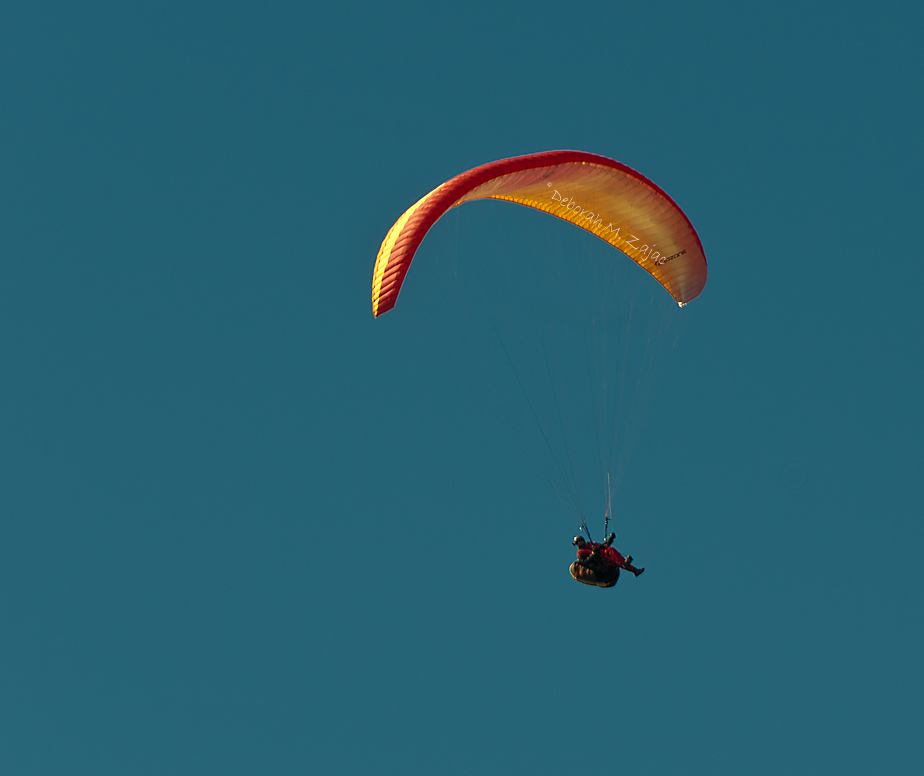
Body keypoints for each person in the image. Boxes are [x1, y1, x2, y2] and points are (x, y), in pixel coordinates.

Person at [569, 533, 644, 588]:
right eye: (577, 543)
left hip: (604, 558)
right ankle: (627, 566)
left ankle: (633, 569)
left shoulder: (591, 544)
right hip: (600, 565)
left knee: (610, 550)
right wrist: (593, 554)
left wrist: (610, 539)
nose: (579, 543)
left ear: (582, 540)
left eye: (579, 541)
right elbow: (585, 562)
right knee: (610, 557)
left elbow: (602, 546)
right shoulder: (580, 553)